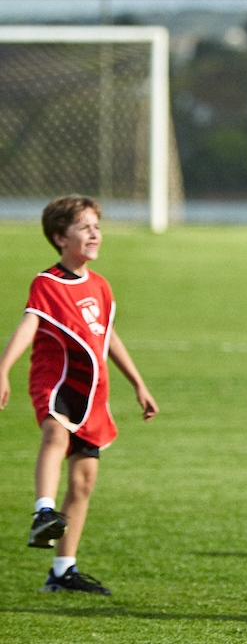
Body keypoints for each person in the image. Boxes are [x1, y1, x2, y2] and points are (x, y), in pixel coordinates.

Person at [0, 195, 159, 595]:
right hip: (58, 382)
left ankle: (62, 572)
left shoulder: (100, 286)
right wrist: (3, 369)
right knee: (55, 434)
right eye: (84, 227)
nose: (94, 234)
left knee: (85, 480)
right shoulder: (48, 284)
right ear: (59, 237)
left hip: (94, 391)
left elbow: (108, 336)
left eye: (97, 227)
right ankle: (43, 512)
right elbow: (29, 326)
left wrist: (137, 382)